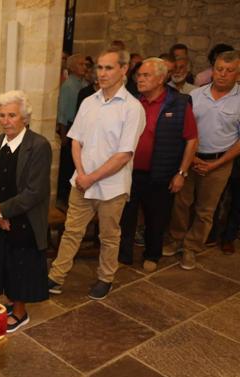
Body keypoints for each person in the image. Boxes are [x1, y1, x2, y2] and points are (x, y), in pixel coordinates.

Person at [47, 48, 146, 300]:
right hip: (81, 182)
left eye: (108, 68)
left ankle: (105, 277)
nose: (102, 73)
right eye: (99, 68)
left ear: (123, 70)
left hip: (112, 186)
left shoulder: (132, 108)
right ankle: (55, 277)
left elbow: (124, 154)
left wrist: (91, 177)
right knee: (71, 231)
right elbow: (76, 140)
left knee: (109, 235)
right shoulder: (89, 102)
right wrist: (82, 174)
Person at [0, 90, 51, 333]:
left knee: (20, 265)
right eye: (2, 116)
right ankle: (9, 302)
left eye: (11, 115)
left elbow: (35, 192)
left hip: (25, 218)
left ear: (25, 118)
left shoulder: (39, 146)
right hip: (1, 216)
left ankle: (20, 312)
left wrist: (2, 212)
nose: (5, 121)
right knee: (1, 261)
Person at [118, 58, 198, 273]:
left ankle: (152, 254)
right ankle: (123, 256)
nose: (140, 79)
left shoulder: (179, 103)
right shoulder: (133, 101)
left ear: (161, 78)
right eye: (139, 75)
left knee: (157, 216)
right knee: (126, 215)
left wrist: (181, 172)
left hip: (161, 172)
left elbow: (191, 139)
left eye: (146, 75)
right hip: (130, 171)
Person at [164, 51, 240, 269]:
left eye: (229, 70)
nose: (223, 75)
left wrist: (216, 164)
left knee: (206, 209)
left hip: (220, 163)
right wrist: (192, 157)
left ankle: (191, 248)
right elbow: (183, 131)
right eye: (219, 69)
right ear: (212, 70)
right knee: (181, 203)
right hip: (190, 159)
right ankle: (176, 239)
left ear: (237, 74)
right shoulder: (195, 96)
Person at [56, 53, 89, 208]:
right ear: (72, 67)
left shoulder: (83, 84)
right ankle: (64, 197)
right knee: (68, 163)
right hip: (70, 127)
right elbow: (63, 111)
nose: (84, 67)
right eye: (81, 64)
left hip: (81, 128)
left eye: (85, 64)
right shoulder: (69, 85)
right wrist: (63, 135)